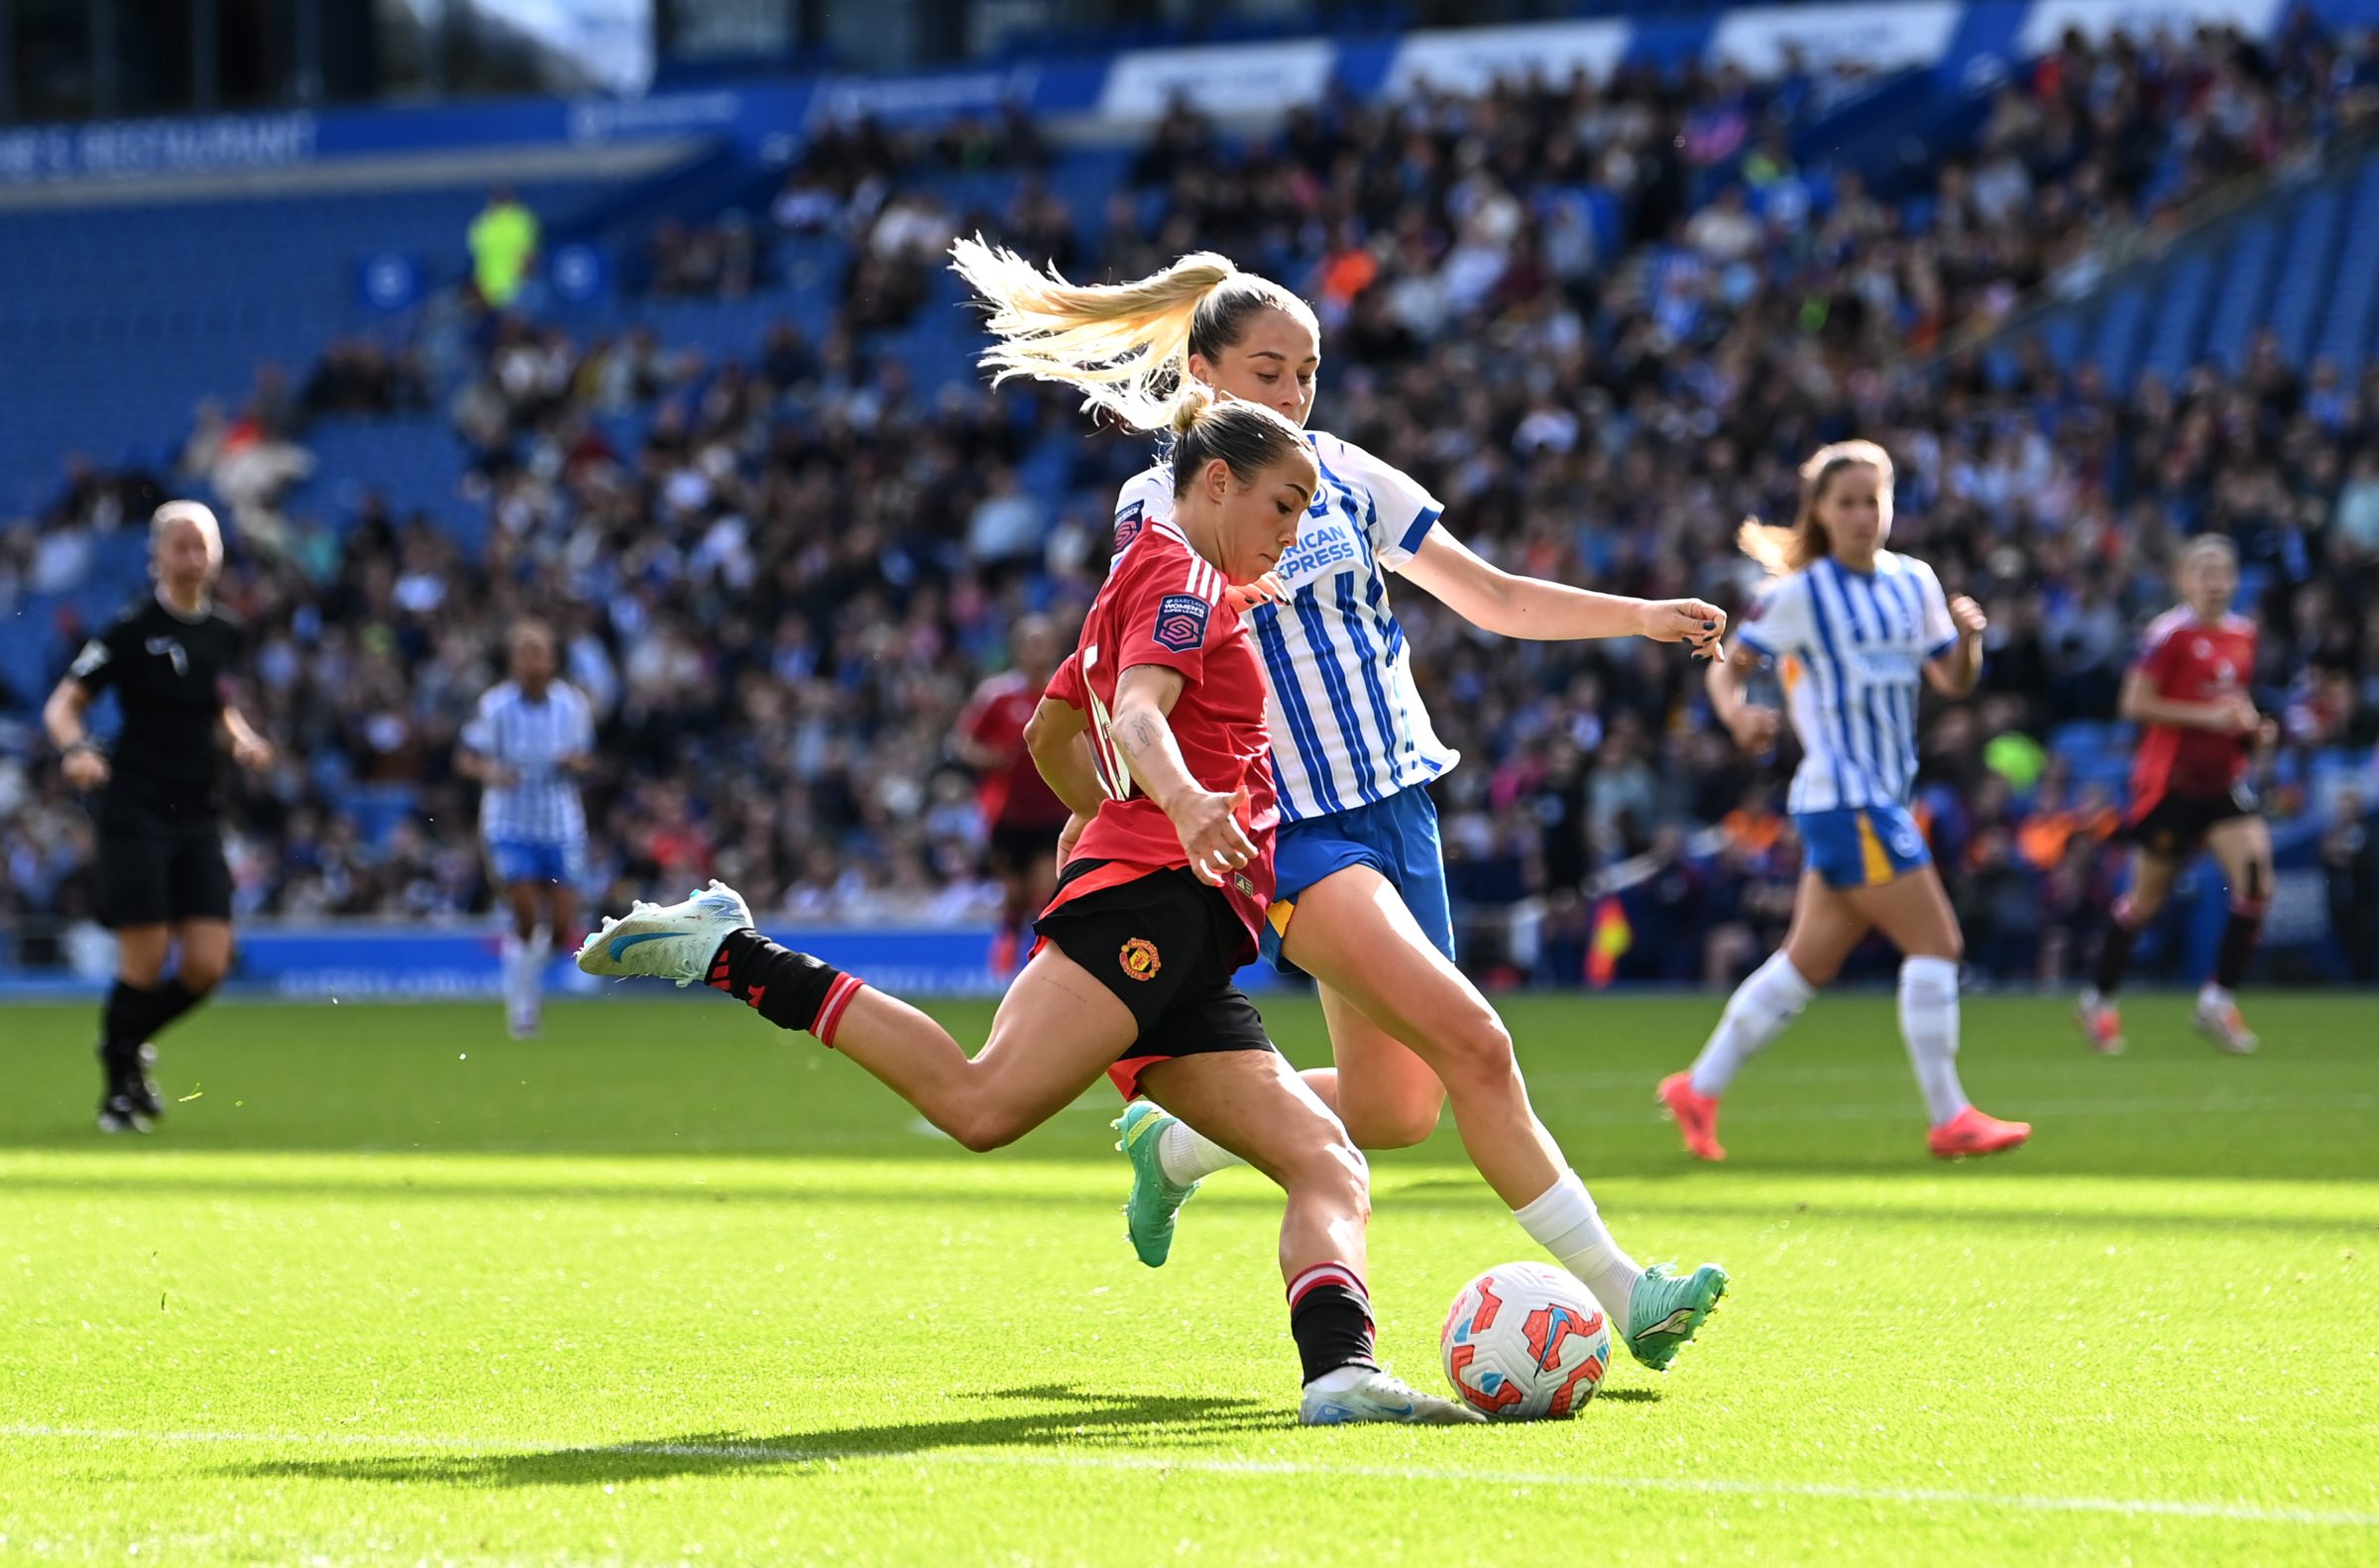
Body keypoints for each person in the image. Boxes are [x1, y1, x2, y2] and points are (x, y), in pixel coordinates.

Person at [578, 392, 1476, 1426]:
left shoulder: (1132, 587)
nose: (1293, 530)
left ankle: (1341, 1376)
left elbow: (1055, 736)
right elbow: (1137, 715)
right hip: (1156, 906)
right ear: (1217, 483)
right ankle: (732, 950)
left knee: (1326, 1155)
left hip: (1187, 927)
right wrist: (1175, 804)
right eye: (1284, 505)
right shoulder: (1184, 579)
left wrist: (1102, 818)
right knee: (979, 1103)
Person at [951, 239, 1729, 1371]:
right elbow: (1140, 644)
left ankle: (1175, 1145)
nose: (1294, 393)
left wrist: (1641, 614)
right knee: (1479, 1041)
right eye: (1269, 370)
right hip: (1291, 827)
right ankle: (1629, 1293)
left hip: (1398, 804)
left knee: (1400, 1105)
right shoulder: (1162, 501)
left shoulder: (1349, 477)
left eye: (1307, 372)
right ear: (1205, 374)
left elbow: (1492, 595)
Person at [1657, 441, 2032, 1163]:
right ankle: (1950, 1116)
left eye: (1874, 499)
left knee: (1806, 965)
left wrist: (1972, 640)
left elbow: (1953, 681)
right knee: (1937, 943)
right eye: (1848, 502)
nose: (1863, 514)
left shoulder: (1915, 581)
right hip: (1846, 798)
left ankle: (1698, 1088)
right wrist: (1738, 716)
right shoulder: (1802, 594)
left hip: (1880, 795)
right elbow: (1727, 670)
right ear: (1821, 513)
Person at [41, 502, 275, 1133]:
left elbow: (215, 706)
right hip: (136, 809)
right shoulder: (129, 628)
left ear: (219, 553)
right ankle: (119, 1090)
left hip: (197, 810)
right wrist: (77, 748)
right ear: (158, 556)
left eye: (203, 547)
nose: (194, 559)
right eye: (182, 547)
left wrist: (243, 738)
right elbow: (65, 703)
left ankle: (121, 1043)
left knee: (207, 963)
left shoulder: (224, 631)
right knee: (143, 960)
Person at [2076, 536, 2274, 1055]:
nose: (2215, 582)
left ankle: (2217, 1000)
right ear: (2185, 580)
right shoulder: (2168, 635)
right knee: (2144, 901)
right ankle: (2098, 1000)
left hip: (2223, 782)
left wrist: (2250, 728)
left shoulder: (2243, 635)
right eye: (2204, 572)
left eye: (2224, 572)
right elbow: (2134, 703)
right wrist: (2204, 716)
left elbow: (2233, 701)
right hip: (2171, 786)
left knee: (2256, 883)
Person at [458, 620, 596, 1040]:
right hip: (510, 823)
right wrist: (489, 772)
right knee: (523, 911)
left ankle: (525, 976)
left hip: (559, 823)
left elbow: (586, 759)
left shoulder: (571, 705)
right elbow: (467, 756)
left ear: (552, 659)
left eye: (541, 652)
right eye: (527, 653)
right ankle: (522, 1006)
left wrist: (574, 764)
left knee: (560, 926)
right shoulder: (495, 706)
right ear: (514, 660)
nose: (535, 661)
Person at [955, 614, 1075, 974]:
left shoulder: (1064, 688)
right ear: (1018, 649)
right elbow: (963, 743)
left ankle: (1042, 965)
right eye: (1030, 643)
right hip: (1008, 812)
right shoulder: (998, 695)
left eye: (1044, 642)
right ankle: (1005, 958)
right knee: (1014, 894)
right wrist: (989, 758)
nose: (1038, 650)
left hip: (1054, 807)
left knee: (1045, 887)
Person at [468, 186, 540, 310]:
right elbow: (476, 258)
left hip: (514, 290)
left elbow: (529, 260)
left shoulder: (521, 221)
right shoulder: (483, 223)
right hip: (490, 291)